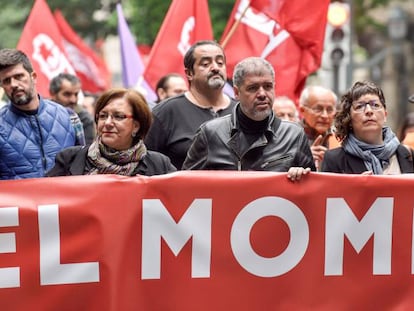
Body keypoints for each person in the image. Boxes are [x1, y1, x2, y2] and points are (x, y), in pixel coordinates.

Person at [182, 57, 315, 181]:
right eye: (253, 88)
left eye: (268, 86)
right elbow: (186, 186)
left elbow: (311, 191)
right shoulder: (210, 133)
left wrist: (301, 176)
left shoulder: (294, 135)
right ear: (236, 92)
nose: (262, 94)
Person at [144, 40, 237, 169]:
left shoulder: (241, 111)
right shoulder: (165, 112)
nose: (215, 68)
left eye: (220, 62)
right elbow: (146, 164)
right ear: (189, 74)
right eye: (205, 64)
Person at [47, 88, 176, 176]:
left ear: (136, 126)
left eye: (118, 116)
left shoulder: (160, 165)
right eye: (103, 116)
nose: (107, 123)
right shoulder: (69, 159)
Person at [0, 48, 76, 180]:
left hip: (64, 199)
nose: (13, 84)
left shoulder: (69, 116)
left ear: (33, 77)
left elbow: (83, 169)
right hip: (18, 200)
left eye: (19, 76)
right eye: (7, 81)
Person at [321, 81, 414, 174]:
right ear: (348, 118)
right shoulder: (335, 159)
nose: (369, 111)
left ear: (385, 115)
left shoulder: (406, 154)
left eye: (376, 105)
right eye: (359, 106)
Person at [299, 85, 340, 170]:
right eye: (318, 109)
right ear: (302, 110)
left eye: (329, 110)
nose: (325, 115)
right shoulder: (288, 136)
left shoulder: (341, 138)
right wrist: (301, 159)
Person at [49, 73, 96, 144]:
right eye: (67, 94)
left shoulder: (84, 119)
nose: (73, 100)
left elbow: (85, 150)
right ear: (53, 94)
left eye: (76, 94)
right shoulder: (41, 114)